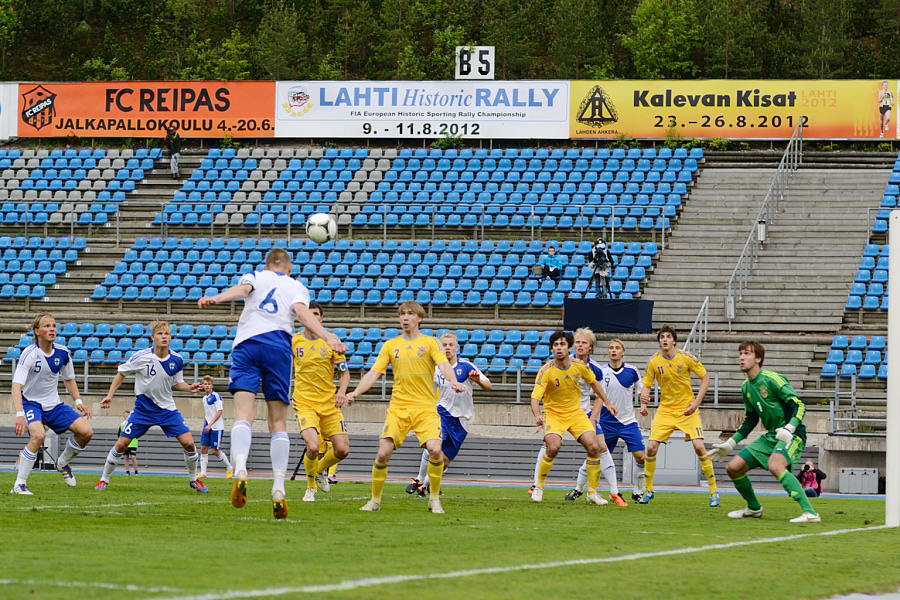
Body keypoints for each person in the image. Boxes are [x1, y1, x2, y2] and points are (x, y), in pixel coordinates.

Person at [198, 248, 345, 519]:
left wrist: (216, 298)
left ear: (267, 265)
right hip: (278, 346)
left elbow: (242, 291)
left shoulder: (255, 275)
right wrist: (328, 337)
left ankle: (240, 467)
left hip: (247, 344)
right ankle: (278, 488)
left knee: (243, 413)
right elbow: (302, 314)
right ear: (288, 268)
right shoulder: (296, 286)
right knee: (277, 421)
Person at [346, 302, 465, 514]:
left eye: (410, 314)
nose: (405, 317)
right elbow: (374, 372)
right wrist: (355, 392)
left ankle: (434, 499)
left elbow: (444, 364)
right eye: (402, 314)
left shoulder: (430, 343)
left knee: (436, 450)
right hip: (398, 408)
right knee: (383, 454)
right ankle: (374, 500)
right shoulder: (391, 345)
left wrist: (453, 380)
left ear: (419, 318)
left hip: (425, 408)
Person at [709, 341, 821, 523]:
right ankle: (753, 508)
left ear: (758, 358)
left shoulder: (771, 379)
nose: (741, 357)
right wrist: (730, 443)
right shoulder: (746, 387)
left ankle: (810, 513)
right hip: (771, 436)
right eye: (740, 354)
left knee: (775, 465)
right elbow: (750, 420)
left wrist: (789, 427)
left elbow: (799, 405)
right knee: (733, 467)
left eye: (746, 353)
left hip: (792, 434)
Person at [94, 321, 206, 493]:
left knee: (189, 444)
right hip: (143, 410)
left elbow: (178, 383)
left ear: (170, 337)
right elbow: (121, 373)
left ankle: (194, 479)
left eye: (167, 334)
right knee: (122, 444)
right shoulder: (141, 356)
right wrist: (110, 395)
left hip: (167, 410)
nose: (164, 337)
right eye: (160, 334)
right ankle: (104, 479)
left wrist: (190, 388)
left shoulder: (177, 359)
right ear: (152, 337)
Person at [530, 330, 625, 506]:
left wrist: (607, 402)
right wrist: (537, 415)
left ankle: (592, 493)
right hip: (554, 414)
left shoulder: (579, 366)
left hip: (576, 414)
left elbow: (594, 384)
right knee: (553, 447)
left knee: (594, 446)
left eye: (562, 344)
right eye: (556, 345)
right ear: (552, 349)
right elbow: (535, 397)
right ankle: (539, 487)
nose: (559, 348)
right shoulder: (546, 371)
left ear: (568, 347)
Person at [10, 313, 93, 495]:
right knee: (38, 436)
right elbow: (16, 387)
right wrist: (19, 414)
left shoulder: (63, 353)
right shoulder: (29, 354)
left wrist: (78, 401)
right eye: (47, 326)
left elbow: (69, 379)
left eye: (54, 325)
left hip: (54, 405)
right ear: (37, 331)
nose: (52, 329)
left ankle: (62, 462)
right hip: (32, 404)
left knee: (86, 432)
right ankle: (19, 484)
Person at [638, 325, 719, 506]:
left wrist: (696, 403)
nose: (665, 340)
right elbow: (646, 385)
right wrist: (643, 403)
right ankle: (648, 490)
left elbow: (705, 378)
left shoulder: (686, 358)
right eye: (662, 337)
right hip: (665, 410)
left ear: (674, 340)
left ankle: (714, 492)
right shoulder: (654, 362)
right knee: (650, 448)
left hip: (686, 410)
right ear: (659, 341)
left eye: (668, 337)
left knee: (699, 447)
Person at [405, 332, 492, 498]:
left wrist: (478, 380)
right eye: (444, 345)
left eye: (450, 345)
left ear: (456, 347)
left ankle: (426, 486)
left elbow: (489, 386)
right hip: (442, 413)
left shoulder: (466, 366)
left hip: (462, 420)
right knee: (434, 446)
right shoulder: (437, 369)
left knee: (444, 461)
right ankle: (419, 479)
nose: (447, 348)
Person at [564, 336, 645, 502]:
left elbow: (641, 391)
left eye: (617, 348)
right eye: (611, 348)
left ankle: (637, 491)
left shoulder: (632, 371)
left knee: (641, 456)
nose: (613, 350)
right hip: (607, 422)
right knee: (594, 454)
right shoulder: (601, 371)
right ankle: (579, 488)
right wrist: (594, 408)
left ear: (623, 352)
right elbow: (596, 393)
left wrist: (643, 405)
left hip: (628, 422)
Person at [291, 301, 351, 502]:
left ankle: (320, 470)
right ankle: (310, 488)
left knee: (342, 450)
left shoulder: (331, 341)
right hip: (305, 402)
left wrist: (342, 392)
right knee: (314, 446)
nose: (313, 317)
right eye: (309, 314)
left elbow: (344, 374)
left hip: (329, 404)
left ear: (321, 318)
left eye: (316, 314)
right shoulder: (294, 341)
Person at [198, 375, 233, 480]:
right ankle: (203, 472)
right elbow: (207, 414)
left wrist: (210, 424)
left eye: (209, 384)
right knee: (203, 447)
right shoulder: (204, 398)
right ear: (203, 385)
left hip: (216, 427)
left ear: (212, 385)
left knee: (214, 451)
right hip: (207, 426)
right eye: (205, 384)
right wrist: (204, 426)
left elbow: (219, 412)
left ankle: (229, 467)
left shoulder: (216, 396)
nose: (207, 386)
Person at [120, 411, 139, 476]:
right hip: (125, 443)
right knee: (126, 457)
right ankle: (127, 471)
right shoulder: (122, 424)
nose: (127, 417)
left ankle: (136, 471)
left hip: (133, 442)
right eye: (126, 416)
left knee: (133, 457)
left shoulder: (134, 423)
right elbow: (119, 433)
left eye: (128, 416)